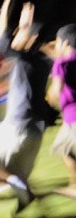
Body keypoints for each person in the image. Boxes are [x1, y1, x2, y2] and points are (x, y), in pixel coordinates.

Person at [0, 0, 59, 214]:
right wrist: (26, 25)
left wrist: (5, 12)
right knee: (17, 176)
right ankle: (30, 205)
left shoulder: (23, 58)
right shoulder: (45, 60)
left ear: (30, 39)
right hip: (36, 130)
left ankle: (26, 196)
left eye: (21, 34)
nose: (16, 36)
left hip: (18, 127)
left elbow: (1, 41)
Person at [48, 23, 76, 198]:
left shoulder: (61, 63)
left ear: (65, 43)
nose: (56, 45)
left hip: (73, 116)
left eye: (57, 42)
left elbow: (56, 89)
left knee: (63, 147)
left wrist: (49, 99)